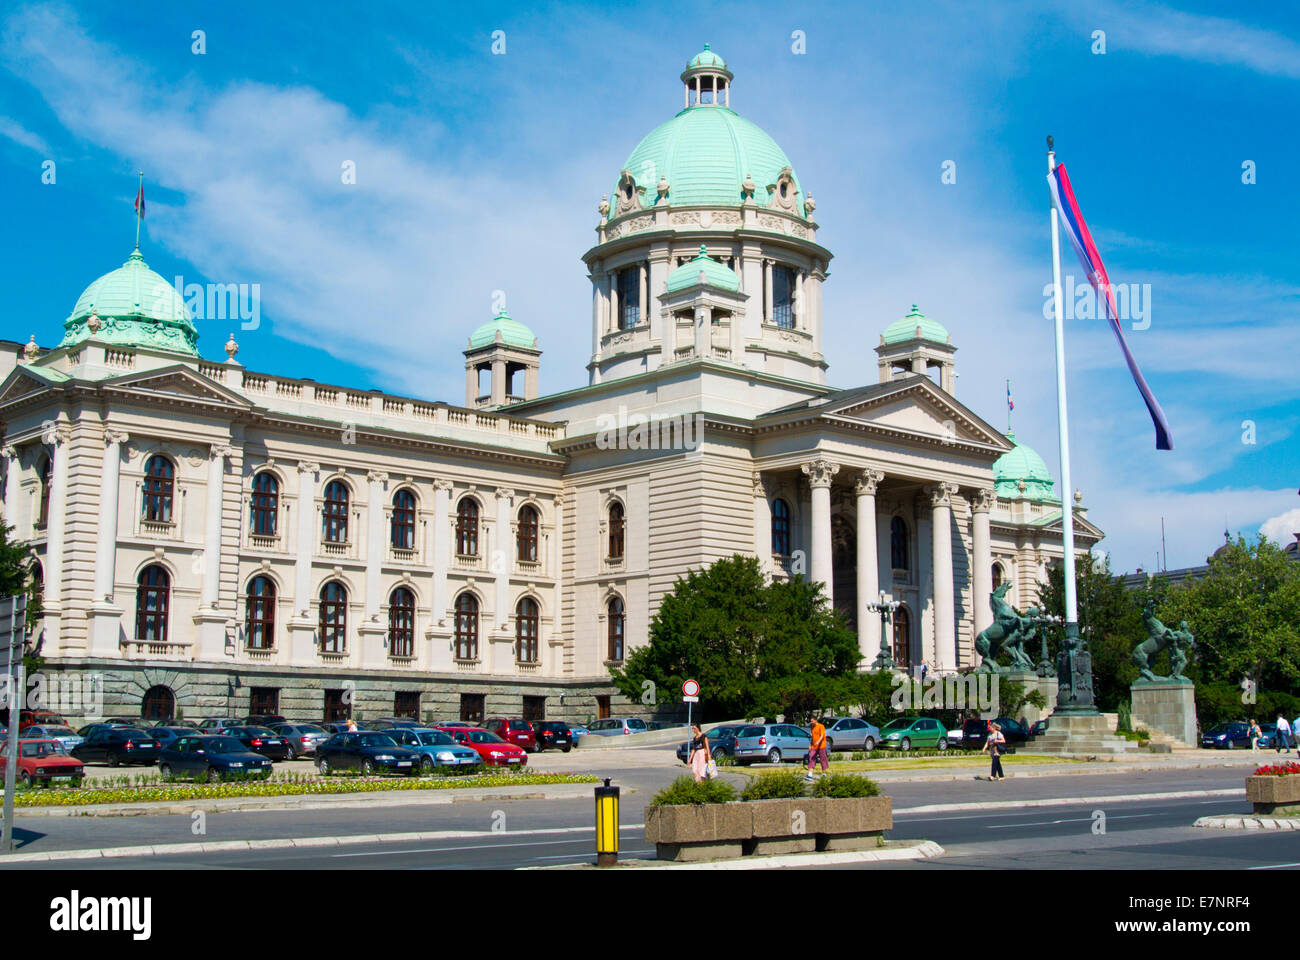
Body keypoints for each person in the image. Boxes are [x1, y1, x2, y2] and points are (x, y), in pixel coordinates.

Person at [806, 716, 830, 781]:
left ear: (816, 720)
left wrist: (818, 742)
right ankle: (810, 774)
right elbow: (813, 737)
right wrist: (810, 745)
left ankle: (824, 773)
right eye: (811, 721)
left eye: (812, 721)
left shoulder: (821, 726)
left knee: (823, 759)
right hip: (814, 746)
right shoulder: (812, 727)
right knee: (811, 757)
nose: (811, 722)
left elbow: (822, 735)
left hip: (821, 746)